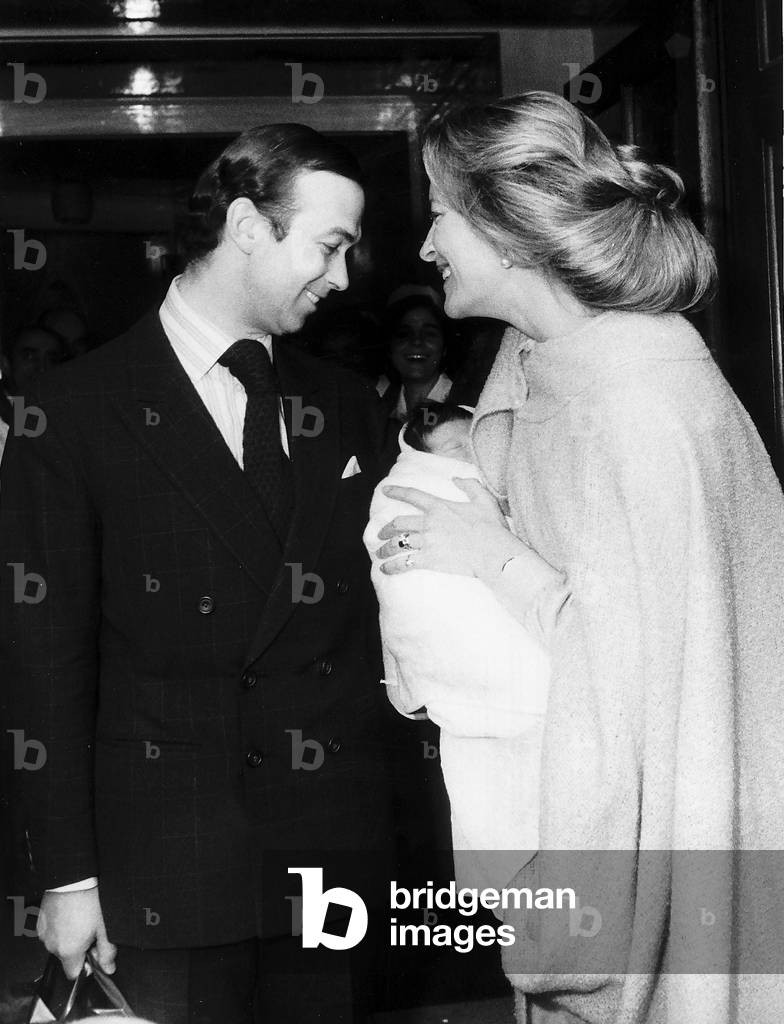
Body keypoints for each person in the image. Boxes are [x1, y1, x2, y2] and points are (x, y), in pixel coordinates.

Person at [374, 92, 784, 1023]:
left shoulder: (641, 406)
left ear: (509, 231)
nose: (428, 247)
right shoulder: (554, 356)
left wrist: (488, 554)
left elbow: (636, 681)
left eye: (441, 216)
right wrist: (468, 461)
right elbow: (537, 468)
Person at [1, 123, 391, 1024]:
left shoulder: (341, 404)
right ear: (249, 225)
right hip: (161, 875)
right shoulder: (69, 413)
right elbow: (41, 666)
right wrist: (66, 875)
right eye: (330, 247)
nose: (343, 278)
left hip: (324, 868)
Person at [364, 400, 549, 896]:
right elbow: (404, 592)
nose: (469, 457)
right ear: (420, 455)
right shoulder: (408, 491)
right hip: (479, 696)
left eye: (474, 444)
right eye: (454, 448)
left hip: (508, 707)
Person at [377, 287, 453, 422]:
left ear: (445, 347)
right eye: (404, 334)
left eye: (429, 334)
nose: (417, 341)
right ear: (390, 347)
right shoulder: (379, 402)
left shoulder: (467, 401)